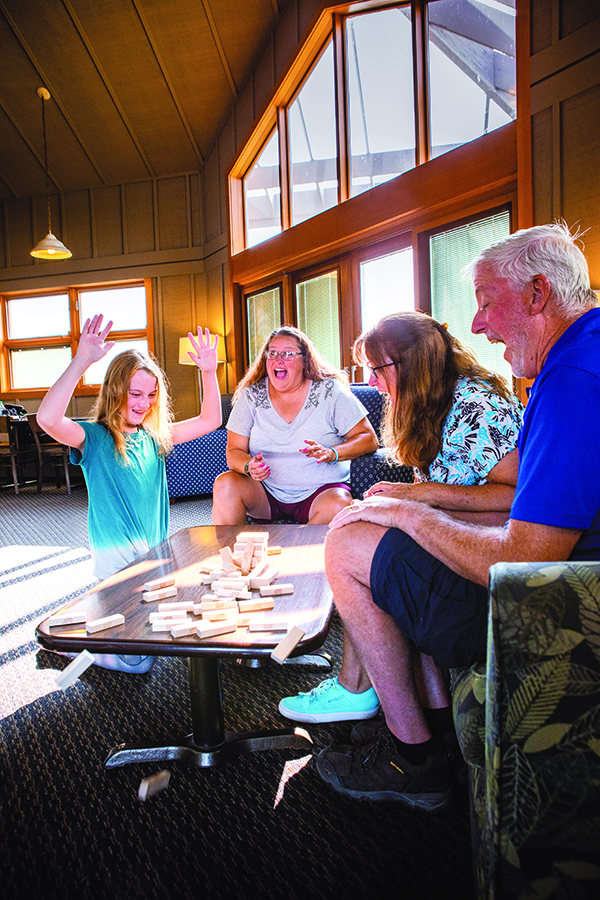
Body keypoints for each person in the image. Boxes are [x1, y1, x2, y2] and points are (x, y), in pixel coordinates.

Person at [314, 222, 600, 812]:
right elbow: (541, 498)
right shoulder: (577, 358)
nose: (475, 324)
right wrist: (418, 507)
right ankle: (431, 723)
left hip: (549, 606)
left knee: (347, 546)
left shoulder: (573, 377)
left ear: (539, 294)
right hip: (565, 574)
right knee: (387, 538)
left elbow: (523, 557)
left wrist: (412, 512)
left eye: (487, 304)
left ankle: (411, 758)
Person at [278, 311, 523, 724]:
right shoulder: (429, 403)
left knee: (352, 541)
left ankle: (358, 691)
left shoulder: (476, 405)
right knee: (365, 526)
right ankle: (431, 714)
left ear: (408, 365)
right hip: (452, 542)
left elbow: (515, 497)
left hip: (482, 565)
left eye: (376, 370)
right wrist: (405, 502)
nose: (371, 382)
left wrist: (418, 496)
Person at [37, 314, 221, 674]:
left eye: (151, 395)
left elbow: (210, 420)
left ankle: (94, 620)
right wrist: (82, 360)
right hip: (118, 572)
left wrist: (208, 372)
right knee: (140, 662)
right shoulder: (94, 437)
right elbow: (47, 419)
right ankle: (78, 641)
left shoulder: (154, 437)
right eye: (135, 394)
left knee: (182, 625)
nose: (143, 403)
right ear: (115, 392)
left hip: (156, 564)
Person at [211, 325, 378, 525]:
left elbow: (368, 438)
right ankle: (232, 554)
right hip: (265, 492)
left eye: (288, 354)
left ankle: (297, 551)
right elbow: (233, 451)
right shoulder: (251, 395)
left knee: (340, 505)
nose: (278, 359)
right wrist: (248, 466)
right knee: (224, 484)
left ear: (304, 360)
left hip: (320, 492)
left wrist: (333, 452)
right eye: (272, 353)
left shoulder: (330, 390)